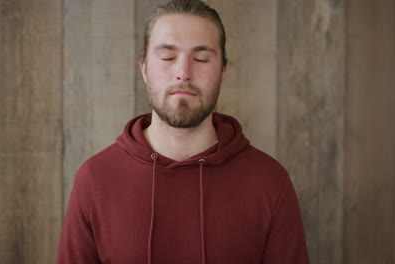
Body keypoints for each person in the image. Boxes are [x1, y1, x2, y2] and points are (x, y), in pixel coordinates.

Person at [56, 0, 309, 263]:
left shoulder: (270, 182)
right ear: (144, 68)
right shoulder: (95, 180)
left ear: (222, 70)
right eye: (167, 57)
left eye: (201, 58)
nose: (183, 73)